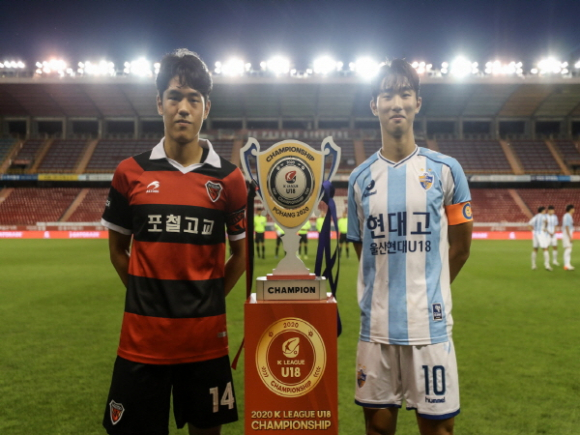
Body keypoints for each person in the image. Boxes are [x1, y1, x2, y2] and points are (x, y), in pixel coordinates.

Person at [100, 49, 246, 435]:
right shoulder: (129, 172)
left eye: (193, 99)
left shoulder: (229, 179)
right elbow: (117, 251)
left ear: (206, 107)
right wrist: (145, 295)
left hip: (205, 344)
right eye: (174, 97)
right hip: (142, 342)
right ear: (159, 103)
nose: (183, 108)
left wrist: (210, 298)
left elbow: (241, 254)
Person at [347, 59, 473, 435]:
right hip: (377, 330)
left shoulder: (447, 170)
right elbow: (364, 253)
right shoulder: (359, 179)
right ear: (374, 105)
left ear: (418, 102)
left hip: (429, 328)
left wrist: (429, 289)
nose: (396, 103)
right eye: (387, 94)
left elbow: (461, 248)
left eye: (405, 93)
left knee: (439, 430)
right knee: (377, 429)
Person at [529, 206, 551, 271]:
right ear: (543, 211)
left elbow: (529, 225)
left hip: (535, 233)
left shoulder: (535, 217)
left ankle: (533, 265)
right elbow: (547, 222)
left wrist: (533, 231)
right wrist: (545, 227)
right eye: (544, 210)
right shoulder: (543, 216)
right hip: (541, 233)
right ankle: (547, 265)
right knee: (545, 248)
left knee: (535, 249)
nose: (545, 212)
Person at [562, 204, 575, 270]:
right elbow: (567, 226)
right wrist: (569, 237)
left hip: (568, 233)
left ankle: (568, 264)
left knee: (568, 249)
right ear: (571, 209)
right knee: (568, 249)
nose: (574, 210)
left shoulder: (567, 216)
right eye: (573, 208)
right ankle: (566, 265)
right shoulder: (567, 216)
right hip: (567, 233)